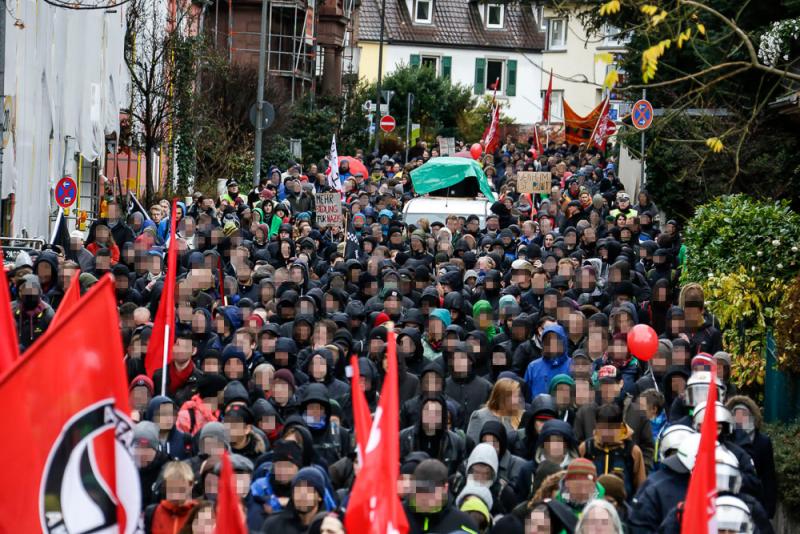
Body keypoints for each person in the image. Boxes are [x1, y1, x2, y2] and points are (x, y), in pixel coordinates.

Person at [403, 459, 479, 534]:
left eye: (430, 492)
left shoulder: (464, 525)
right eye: (419, 490)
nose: (424, 498)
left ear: (445, 488)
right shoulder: (398, 515)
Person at [144, 461, 198, 533]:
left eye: (180, 488)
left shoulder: (200, 512)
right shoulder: (153, 513)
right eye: (171, 488)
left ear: (191, 485)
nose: (175, 494)